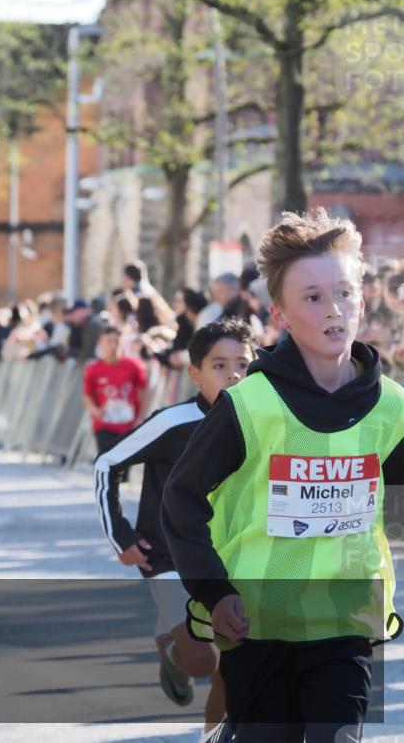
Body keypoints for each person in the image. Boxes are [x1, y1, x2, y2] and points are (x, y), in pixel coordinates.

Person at [162, 209, 404, 742]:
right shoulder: (249, 405)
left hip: (344, 620)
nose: (334, 309)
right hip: (256, 621)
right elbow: (181, 499)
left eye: (344, 293)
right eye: (313, 297)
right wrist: (214, 591)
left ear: (362, 301)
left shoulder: (392, 407)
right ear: (280, 314)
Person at [94, 318, 256, 737]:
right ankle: (172, 647)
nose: (234, 374)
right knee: (203, 660)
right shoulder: (173, 422)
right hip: (168, 557)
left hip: (231, 561)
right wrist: (121, 535)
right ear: (195, 374)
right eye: (219, 365)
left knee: (230, 669)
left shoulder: (262, 420)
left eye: (243, 363)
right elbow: (107, 463)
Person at [82, 325, 148, 458]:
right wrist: (94, 410)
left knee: (123, 464)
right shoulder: (93, 369)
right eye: (109, 341)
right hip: (104, 424)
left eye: (116, 341)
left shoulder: (134, 366)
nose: (113, 346)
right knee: (107, 459)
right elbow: (87, 395)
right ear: (101, 344)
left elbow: (143, 392)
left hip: (128, 424)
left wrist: (142, 416)